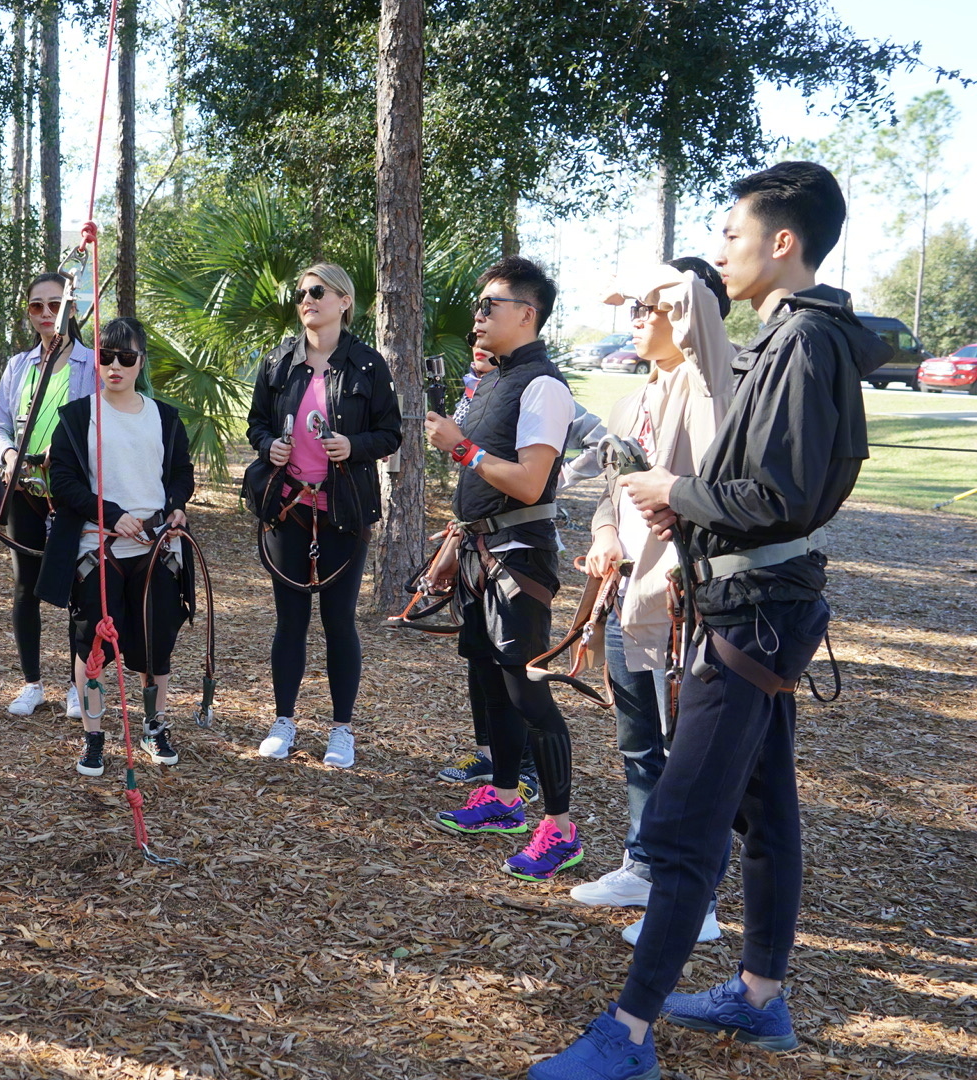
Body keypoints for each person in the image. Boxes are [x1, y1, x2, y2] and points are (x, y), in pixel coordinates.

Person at [531, 162, 890, 1079]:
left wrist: (674, 489)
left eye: (731, 234)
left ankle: (630, 1034)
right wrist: (687, 506)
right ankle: (761, 999)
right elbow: (767, 490)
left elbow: (783, 491)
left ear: (782, 241)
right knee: (766, 810)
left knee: (686, 826)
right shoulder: (791, 337)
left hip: (755, 613)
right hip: (759, 603)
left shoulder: (805, 343)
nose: (720, 250)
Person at [568, 257, 736, 949]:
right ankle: (644, 864)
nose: (636, 319)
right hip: (627, 593)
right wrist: (607, 532)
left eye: (650, 307)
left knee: (688, 754)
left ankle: (693, 901)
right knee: (640, 743)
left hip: (682, 600)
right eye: (632, 309)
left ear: (688, 314)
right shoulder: (639, 393)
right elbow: (612, 489)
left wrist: (677, 284)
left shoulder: (714, 386)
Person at [424, 255, 583, 882]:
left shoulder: (543, 386)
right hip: (479, 554)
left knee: (527, 688)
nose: (478, 315)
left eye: (491, 305)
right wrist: (449, 551)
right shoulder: (491, 382)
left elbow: (530, 481)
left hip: (518, 558)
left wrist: (461, 448)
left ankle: (561, 828)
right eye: (478, 305)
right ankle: (506, 798)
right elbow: (481, 485)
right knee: (489, 679)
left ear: (527, 314)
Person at [244, 263, 402, 770]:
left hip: (344, 510)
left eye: (317, 292)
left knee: (338, 621)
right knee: (289, 621)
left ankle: (341, 730)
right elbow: (257, 424)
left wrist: (352, 445)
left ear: (343, 301)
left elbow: (391, 433)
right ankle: (283, 720)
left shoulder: (368, 365)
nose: (306, 300)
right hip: (288, 508)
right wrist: (269, 446)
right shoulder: (277, 363)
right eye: (301, 294)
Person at [36, 317, 195, 776]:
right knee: (92, 650)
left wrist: (176, 506)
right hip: (96, 548)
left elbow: (180, 473)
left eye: (126, 357)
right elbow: (63, 481)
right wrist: (109, 513)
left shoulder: (164, 418)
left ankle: (154, 726)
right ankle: (93, 736)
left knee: (156, 645)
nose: (115, 366)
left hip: (155, 548)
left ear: (140, 361)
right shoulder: (77, 417)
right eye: (106, 356)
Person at [0, 273, 97, 720]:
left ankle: (77, 685)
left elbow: (105, 423)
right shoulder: (18, 366)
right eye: (37, 306)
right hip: (23, 492)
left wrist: (67, 451)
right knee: (25, 587)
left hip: (71, 494)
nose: (47, 314)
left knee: (76, 588)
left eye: (56, 304)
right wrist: (8, 452)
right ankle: (32, 683)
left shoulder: (93, 364)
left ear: (71, 307)